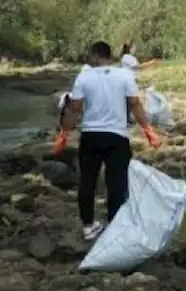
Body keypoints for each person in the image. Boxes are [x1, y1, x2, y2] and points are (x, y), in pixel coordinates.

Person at [56, 41, 161, 241]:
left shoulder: (84, 77)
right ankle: (115, 226)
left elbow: (74, 108)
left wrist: (63, 134)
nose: (88, 59)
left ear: (96, 56)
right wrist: (148, 129)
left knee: (87, 182)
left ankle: (88, 226)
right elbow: (135, 104)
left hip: (91, 136)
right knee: (117, 183)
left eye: (90, 55)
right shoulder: (124, 75)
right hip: (117, 136)